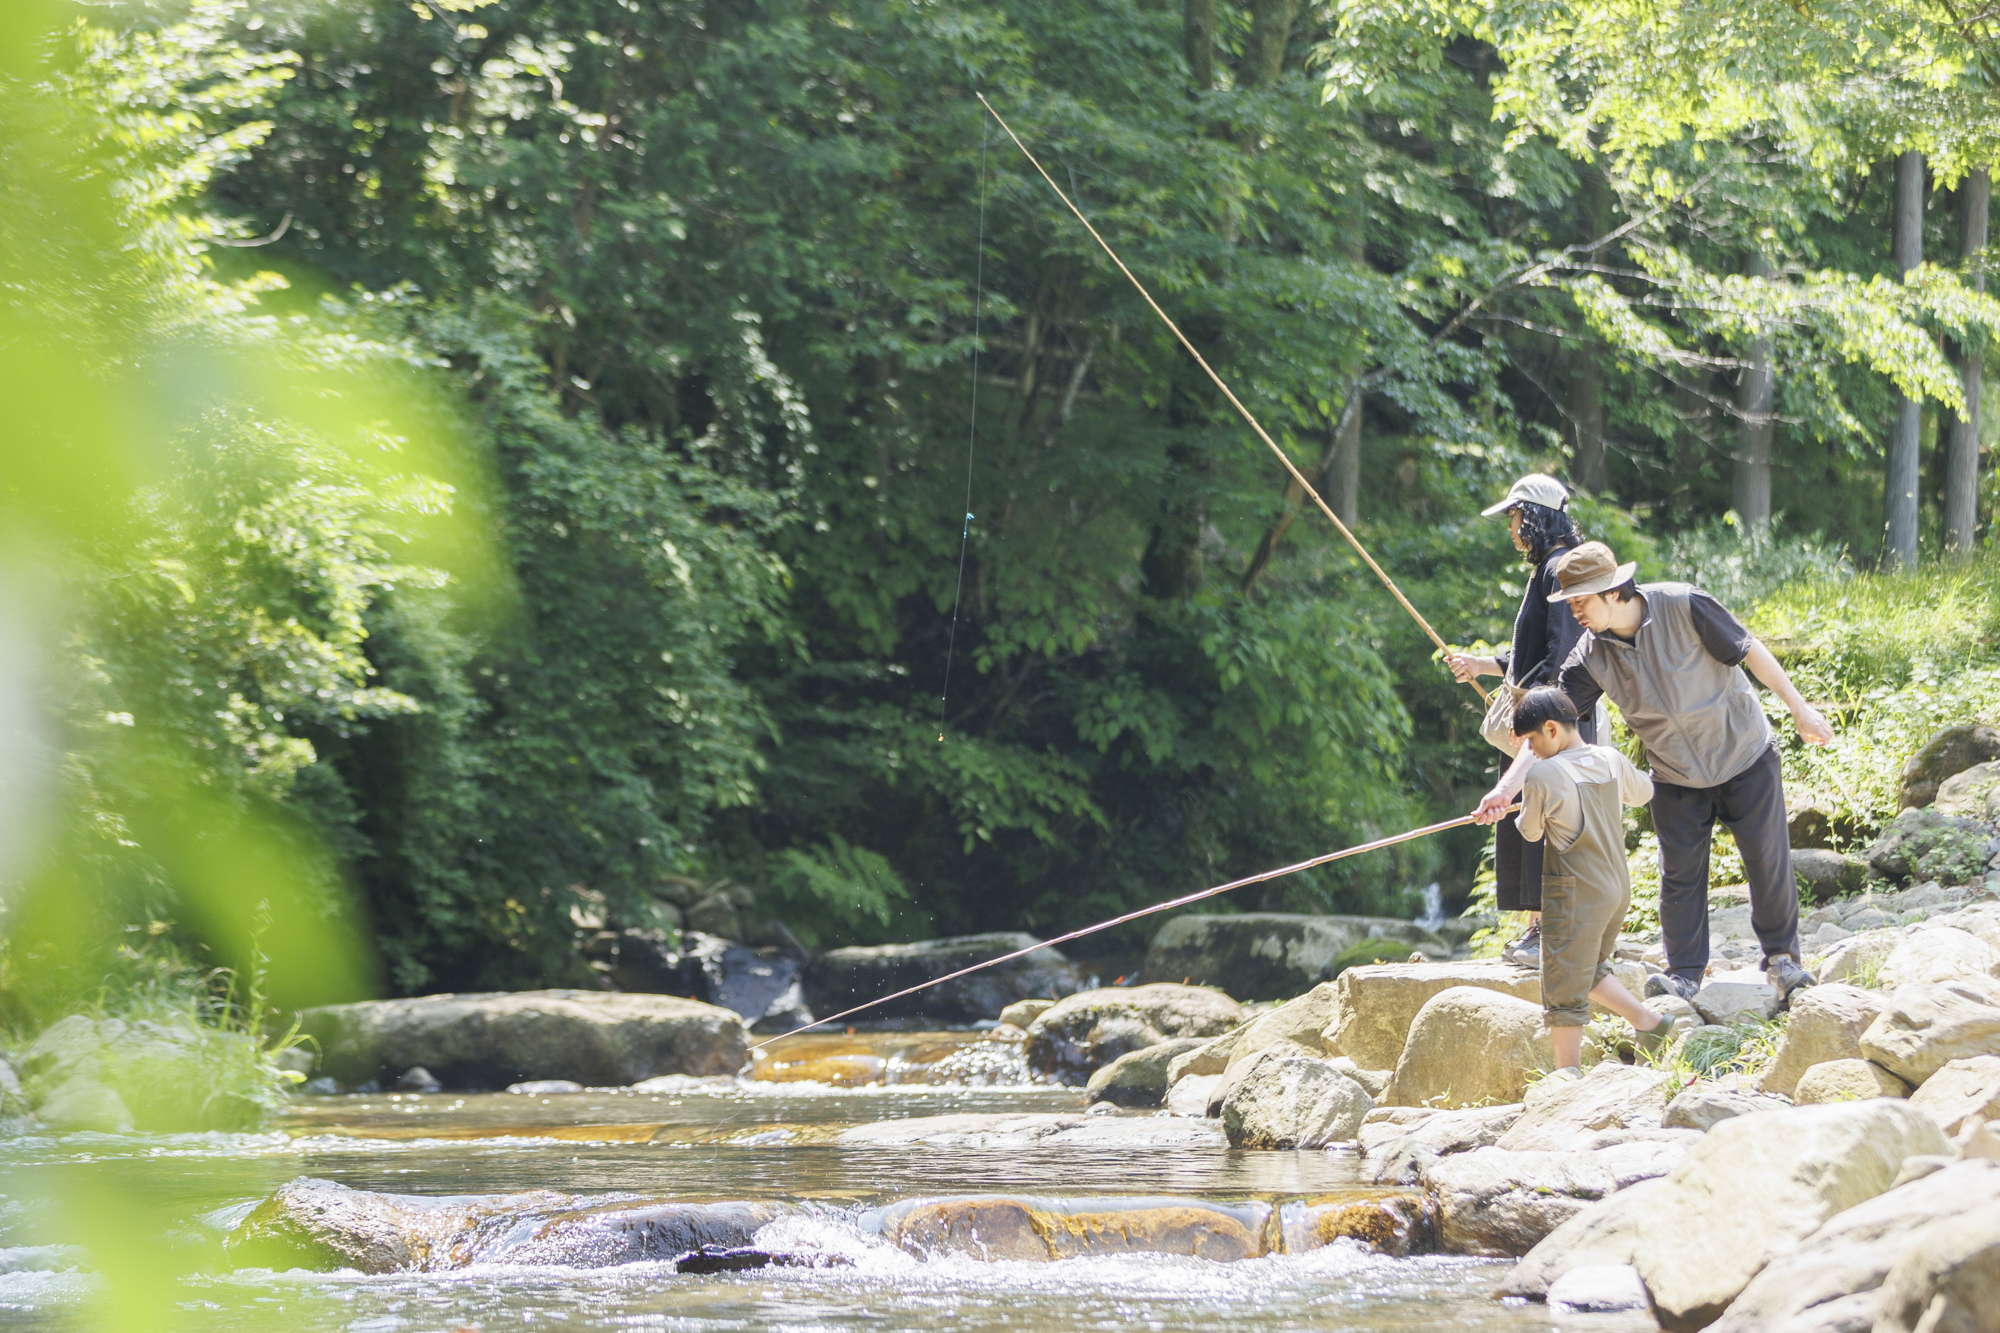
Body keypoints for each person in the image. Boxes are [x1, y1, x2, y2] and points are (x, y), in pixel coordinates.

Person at [1475, 542, 1835, 1005]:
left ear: (1612, 590)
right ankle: (1684, 974)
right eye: (1570, 603)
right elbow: (1553, 727)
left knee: (1767, 860)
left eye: (1580, 601)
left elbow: (1749, 650)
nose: (1575, 612)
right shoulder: (1589, 655)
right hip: (1676, 774)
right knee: (1680, 874)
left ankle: (1783, 960)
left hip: (1745, 754)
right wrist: (1506, 789)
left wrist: (1799, 709)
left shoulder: (1683, 603)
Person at [1446, 474, 1592, 968]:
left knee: (1547, 821)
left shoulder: (1561, 569)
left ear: (1533, 514)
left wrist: (1538, 717)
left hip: (1557, 726)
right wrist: (1483, 664)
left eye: (1513, 515)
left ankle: (1551, 931)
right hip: (1543, 722)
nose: (1511, 528)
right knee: (1525, 821)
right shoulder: (1546, 570)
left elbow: (1565, 653)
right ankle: (1537, 927)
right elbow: (1529, 652)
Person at [1506, 686, 1674, 1072]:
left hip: (1575, 892)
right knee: (1588, 967)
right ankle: (1649, 1022)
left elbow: (1530, 832)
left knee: (1562, 984)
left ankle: (1568, 1078)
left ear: (1551, 729)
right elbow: (1644, 791)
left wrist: (1518, 810)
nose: (1531, 751)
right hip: (1616, 888)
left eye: (1531, 741)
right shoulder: (1611, 758)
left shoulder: (1544, 773)